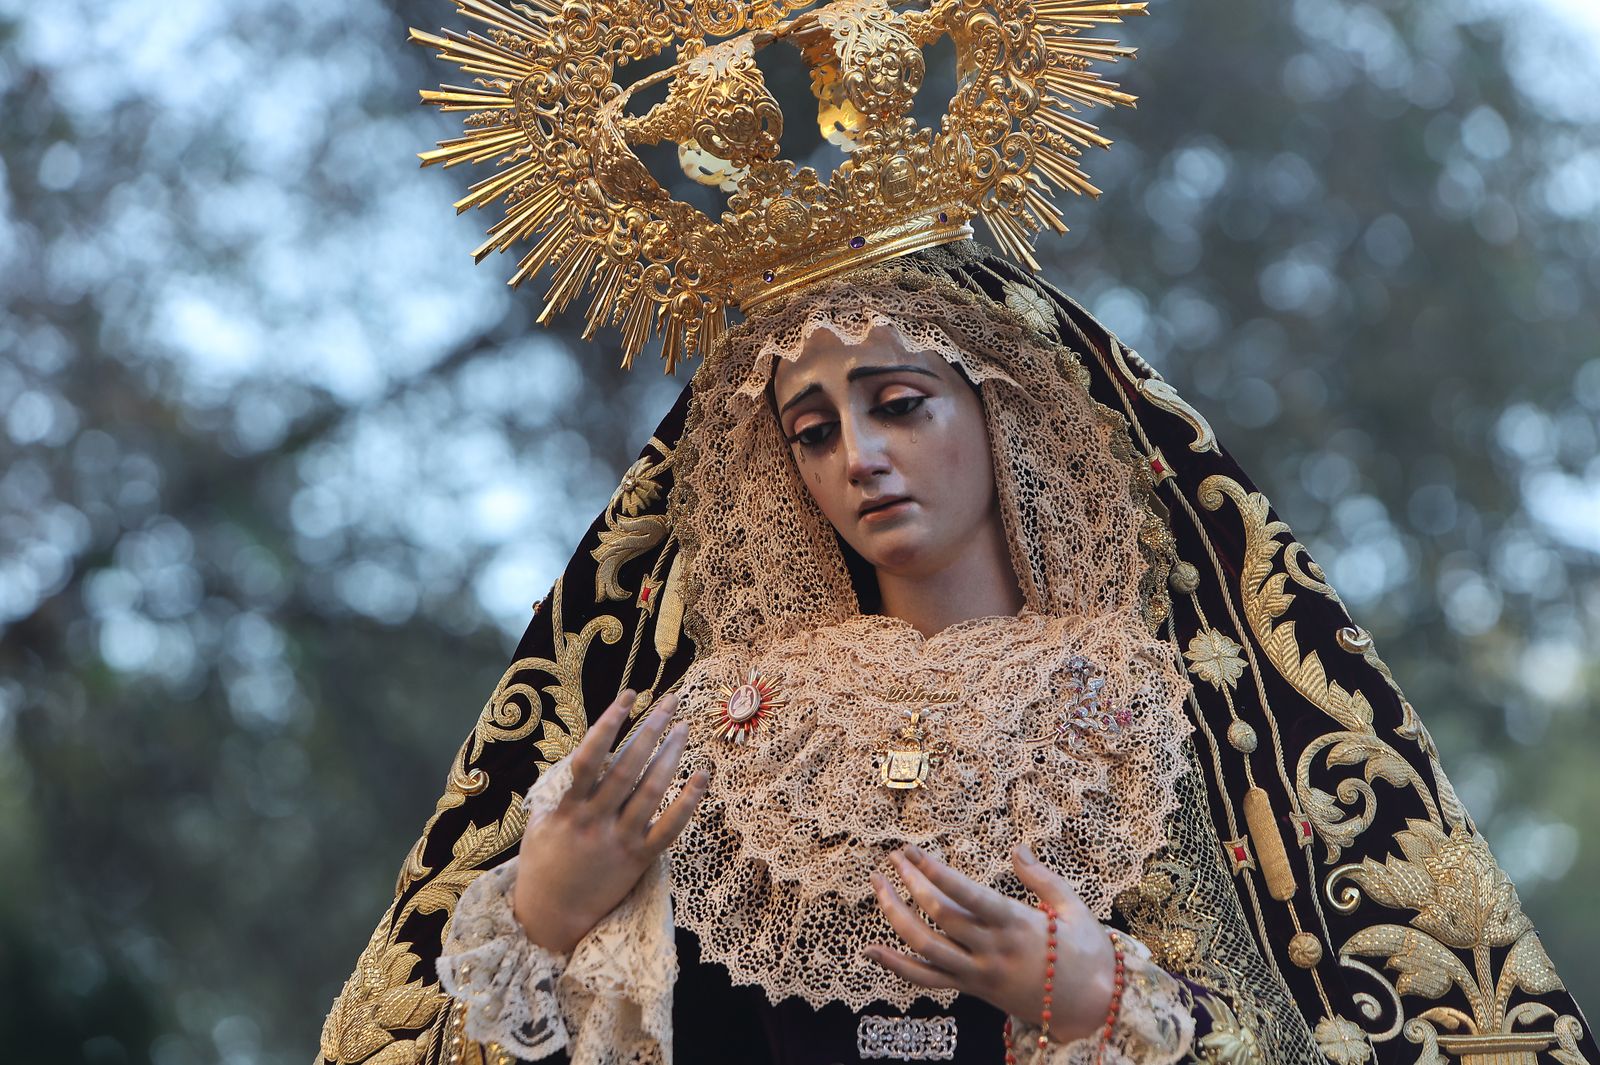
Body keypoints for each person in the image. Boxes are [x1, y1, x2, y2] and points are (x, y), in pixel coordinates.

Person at [319, 2, 1596, 1063]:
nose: (858, 455)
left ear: (1006, 417)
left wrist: (1102, 1008)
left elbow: (1336, 1022)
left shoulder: (1158, 714)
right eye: (810, 429)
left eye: (898, 402)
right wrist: (540, 918)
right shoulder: (695, 748)